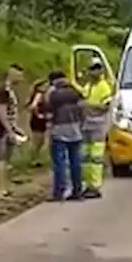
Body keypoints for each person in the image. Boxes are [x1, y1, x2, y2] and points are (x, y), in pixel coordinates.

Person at [72, 59, 113, 199]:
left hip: (98, 125)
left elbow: (106, 106)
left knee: (96, 157)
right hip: (86, 124)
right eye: (92, 68)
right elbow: (81, 99)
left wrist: (89, 105)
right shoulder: (88, 86)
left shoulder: (104, 87)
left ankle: (95, 186)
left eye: (97, 68)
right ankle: (87, 184)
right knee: (85, 156)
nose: (94, 71)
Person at [42, 71, 85, 201]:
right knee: (75, 162)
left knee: (59, 163)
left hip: (59, 130)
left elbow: (48, 111)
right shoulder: (76, 91)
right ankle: (77, 191)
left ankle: (59, 192)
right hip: (76, 129)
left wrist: (49, 126)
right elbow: (83, 109)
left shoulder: (52, 93)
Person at [0, 63, 25, 198]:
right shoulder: (3, 91)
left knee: (8, 159)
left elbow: (11, 113)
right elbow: (1, 112)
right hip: (1, 130)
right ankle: (0, 188)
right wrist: (9, 130)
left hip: (9, 128)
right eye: (19, 75)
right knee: (1, 159)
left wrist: (15, 128)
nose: (21, 78)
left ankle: (6, 186)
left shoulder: (10, 91)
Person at [26, 80, 48, 167]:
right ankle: (33, 159)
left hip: (37, 120)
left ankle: (36, 158)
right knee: (37, 141)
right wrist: (39, 115)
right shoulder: (39, 94)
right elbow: (32, 106)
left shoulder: (38, 94)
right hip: (38, 121)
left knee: (40, 141)